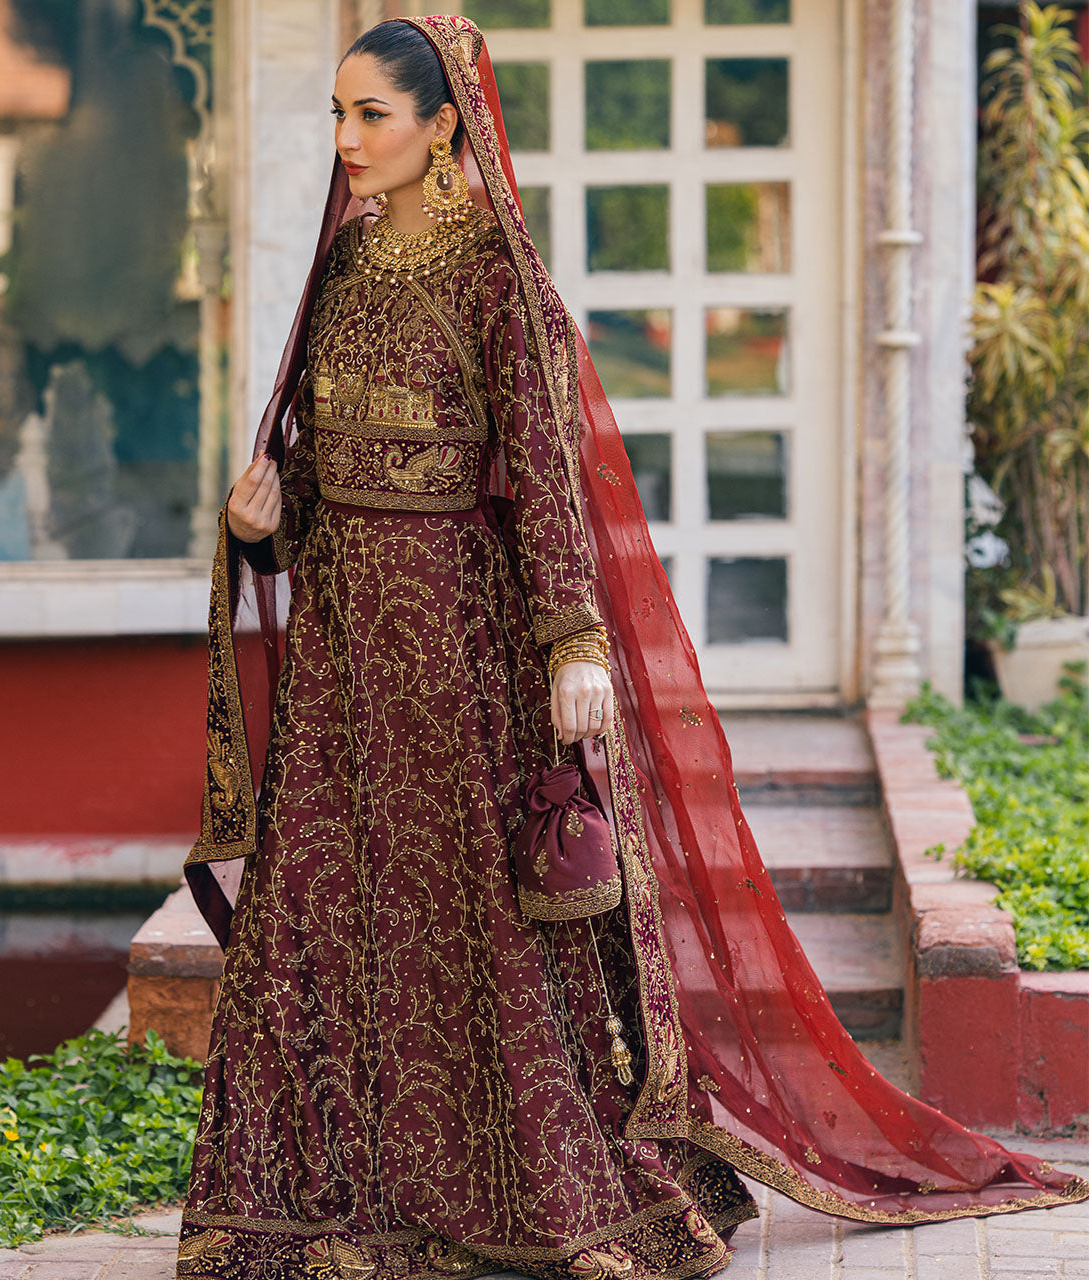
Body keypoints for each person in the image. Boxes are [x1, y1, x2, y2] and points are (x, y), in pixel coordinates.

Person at [175, 16, 1088, 1280]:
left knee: (477, 926)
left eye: (367, 115)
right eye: (334, 116)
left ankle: (529, 1199)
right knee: (334, 922)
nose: (343, 140)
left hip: (458, 657)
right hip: (342, 667)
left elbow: (547, 474)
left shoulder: (498, 278)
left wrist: (570, 641)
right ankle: (345, 1209)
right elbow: (313, 466)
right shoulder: (341, 267)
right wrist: (257, 525)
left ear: (442, 124)